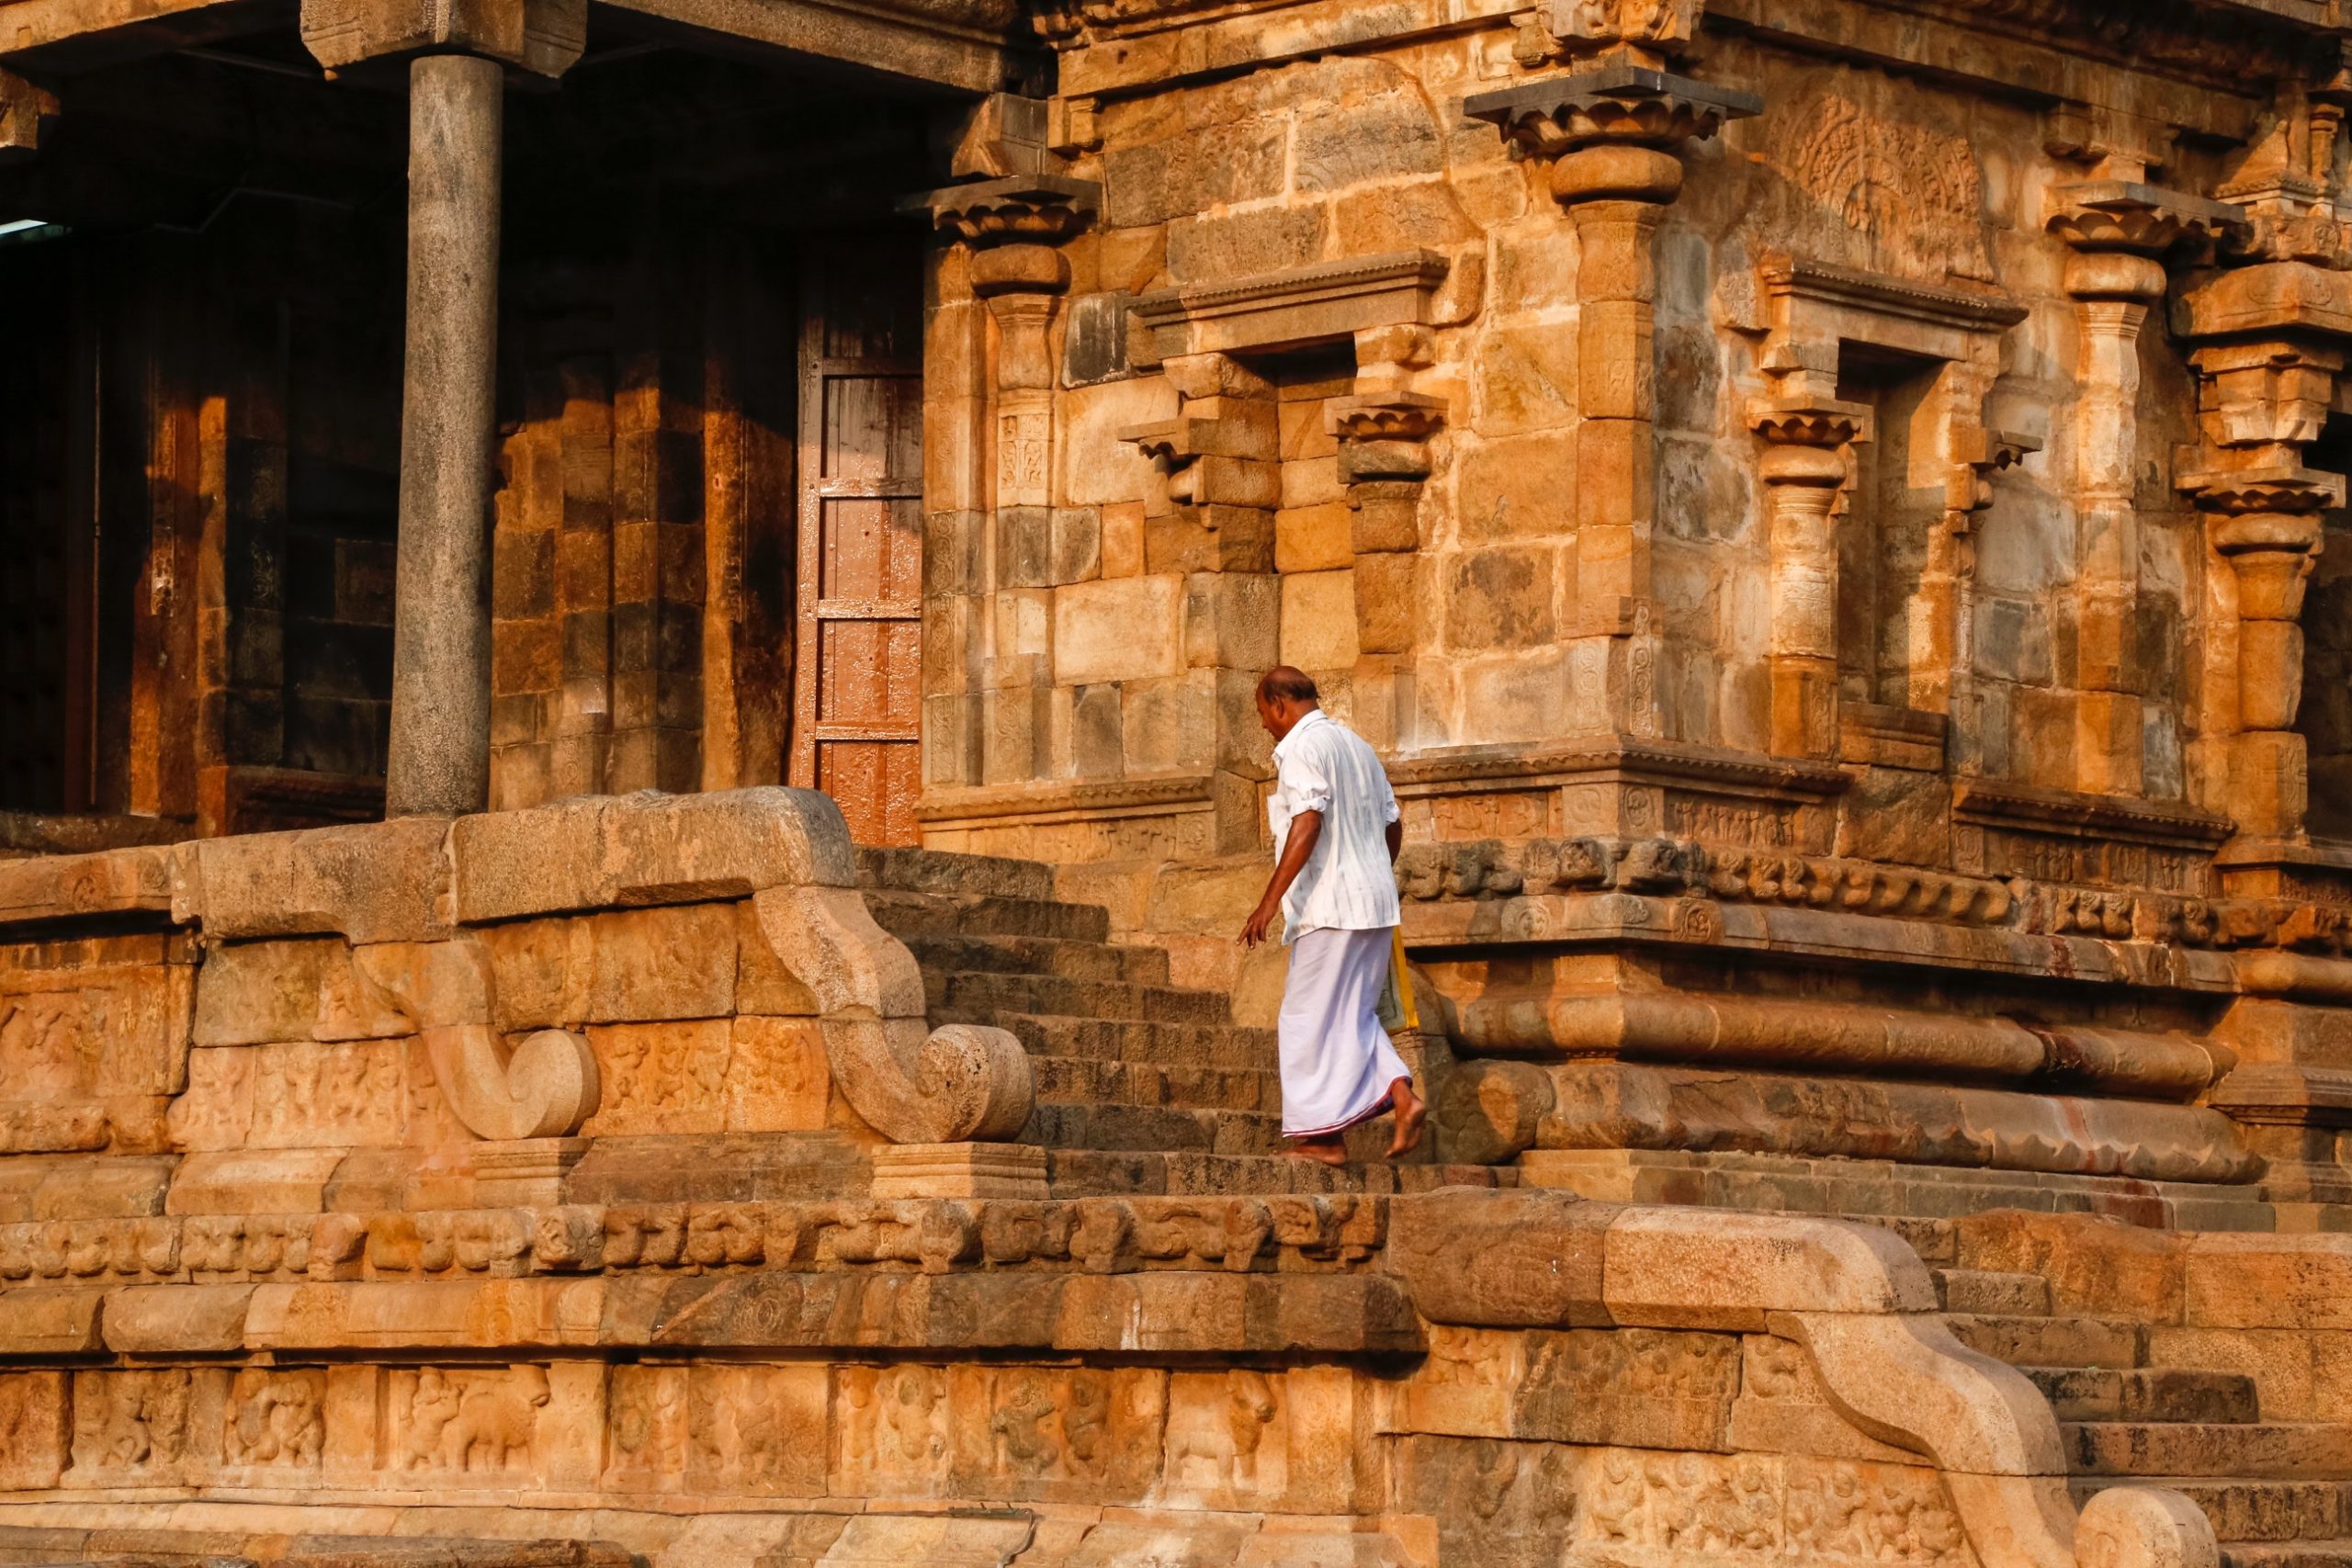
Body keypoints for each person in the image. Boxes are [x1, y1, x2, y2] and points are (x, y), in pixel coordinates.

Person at [1238, 666, 1425, 1166]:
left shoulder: (1302, 747)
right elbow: (1393, 824)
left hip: (1330, 907)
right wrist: (1372, 874)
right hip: (1374, 905)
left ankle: (1322, 1140)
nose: (1263, 725)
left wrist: (1268, 901)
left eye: (1262, 713)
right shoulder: (1357, 746)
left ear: (1279, 705)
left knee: (1304, 1020)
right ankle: (1403, 1099)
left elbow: (1308, 822)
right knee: (1352, 1018)